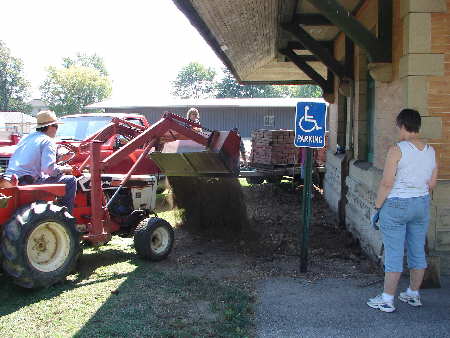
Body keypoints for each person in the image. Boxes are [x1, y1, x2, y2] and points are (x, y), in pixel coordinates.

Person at [367, 109, 438, 313]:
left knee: (394, 253)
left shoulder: (397, 150)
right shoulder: (431, 151)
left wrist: (378, 207)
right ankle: (413, 294)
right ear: (418, 126)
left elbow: (387, 183)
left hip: (397, 204)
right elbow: (431, 183)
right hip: (421, 203)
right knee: (417, 250)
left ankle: (387, 299)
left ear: (401, 125)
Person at [5, 110, 77, 213]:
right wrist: (67, 168)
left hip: (12, 179)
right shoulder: (48, 141)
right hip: (28, 181)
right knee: (71, 180)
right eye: (56, 126)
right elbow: (49, 169)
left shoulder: (26, 138)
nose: (57, 130)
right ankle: (66, 217)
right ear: (51, 126)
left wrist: (58, 159)